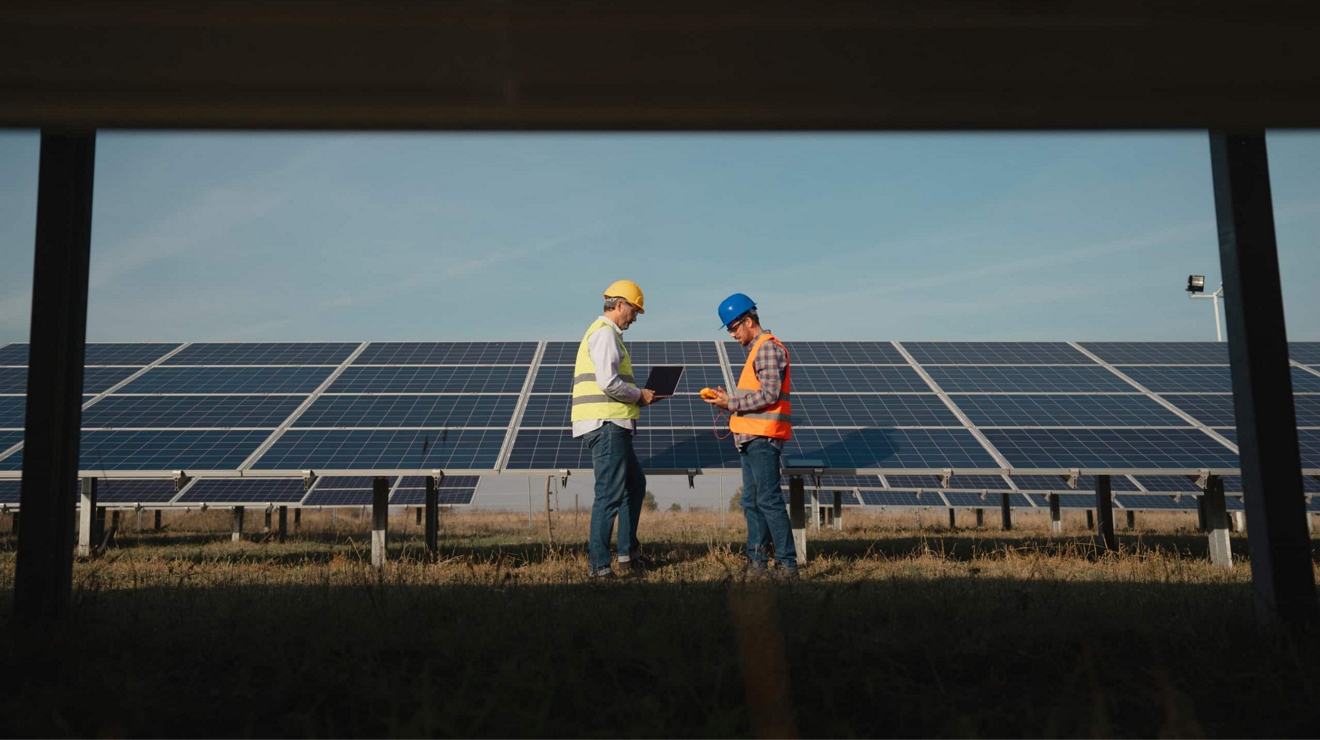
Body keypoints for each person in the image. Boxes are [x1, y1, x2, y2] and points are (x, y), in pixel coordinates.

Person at [702, 293, 799, 581]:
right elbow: (755, 394)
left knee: (768, 500)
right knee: (752, 502)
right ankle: (757, 563)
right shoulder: (757, 351)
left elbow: (769, 395)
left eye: (733, 328)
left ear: (748, 321)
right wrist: (727, 398)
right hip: (751, 438)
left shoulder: (768, 349)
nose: (732, 335)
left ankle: (787, 566)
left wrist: (729, 404)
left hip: (763, 438)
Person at [572, 279, 664, 579]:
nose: (635, 317)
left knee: (635, 487)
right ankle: (599, 568)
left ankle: (628, 555)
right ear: (619, 304)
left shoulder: (608, 335)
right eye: (634, 310)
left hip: (614, 425)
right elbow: (608, 383)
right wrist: (640, 395)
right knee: (609, 495)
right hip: (607, 424)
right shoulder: (605, 334)